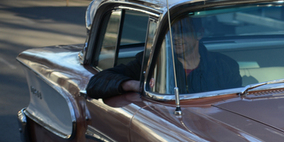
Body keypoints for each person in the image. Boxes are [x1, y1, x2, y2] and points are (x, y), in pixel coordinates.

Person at [87, 16, 242, 99]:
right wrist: (134, 85)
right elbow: (96, 83)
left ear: (199, 34)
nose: (175, 38)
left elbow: (233, 103)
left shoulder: (224, 65)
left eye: (183, 32)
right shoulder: (152, 63)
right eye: (172, 32)